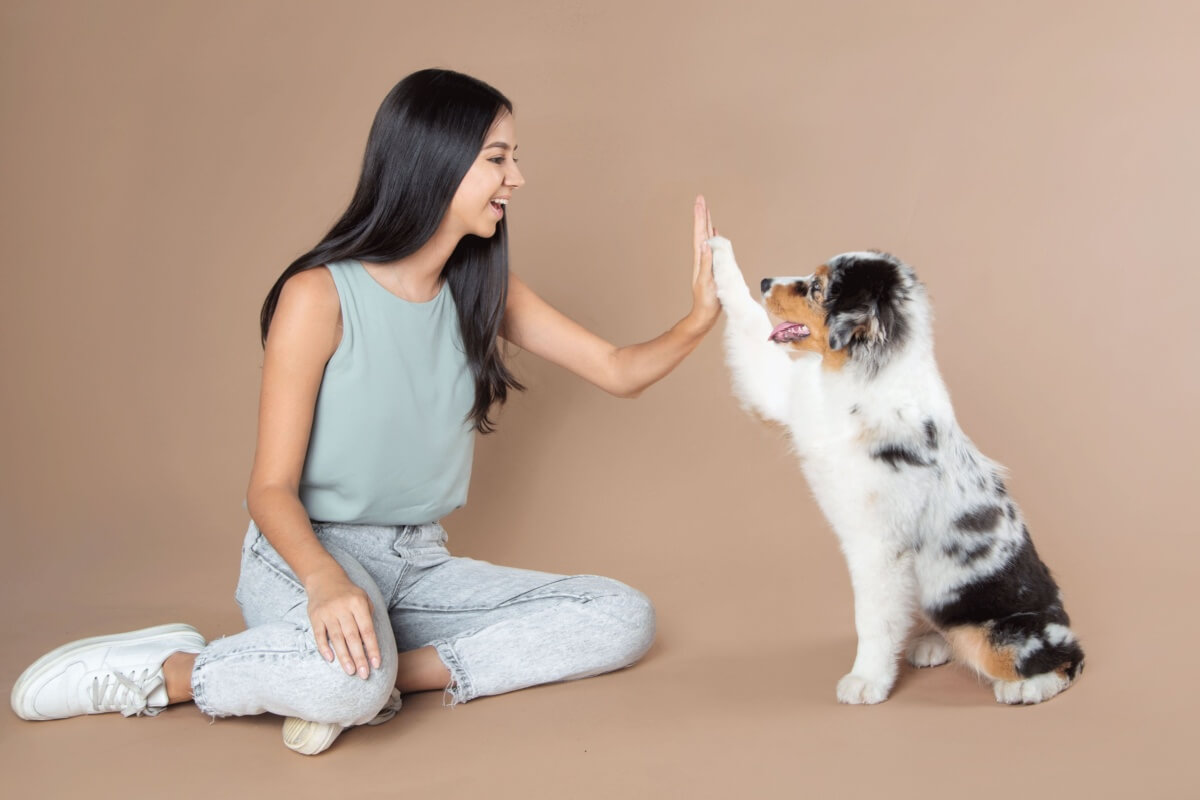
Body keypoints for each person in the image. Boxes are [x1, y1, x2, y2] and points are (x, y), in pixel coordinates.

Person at [9, 68, 720, 755]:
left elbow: (618, 372)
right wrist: (324, 581)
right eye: (497, 158)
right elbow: (268, 490)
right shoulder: (319, 296)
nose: (517, 178)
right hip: (305, 554)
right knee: (343, 680)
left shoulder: (486, 289)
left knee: (622, 616)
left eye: (514, 159)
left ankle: (373, 677)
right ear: (435, 162)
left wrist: (697, 320)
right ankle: (172, 673)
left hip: (419, 562)